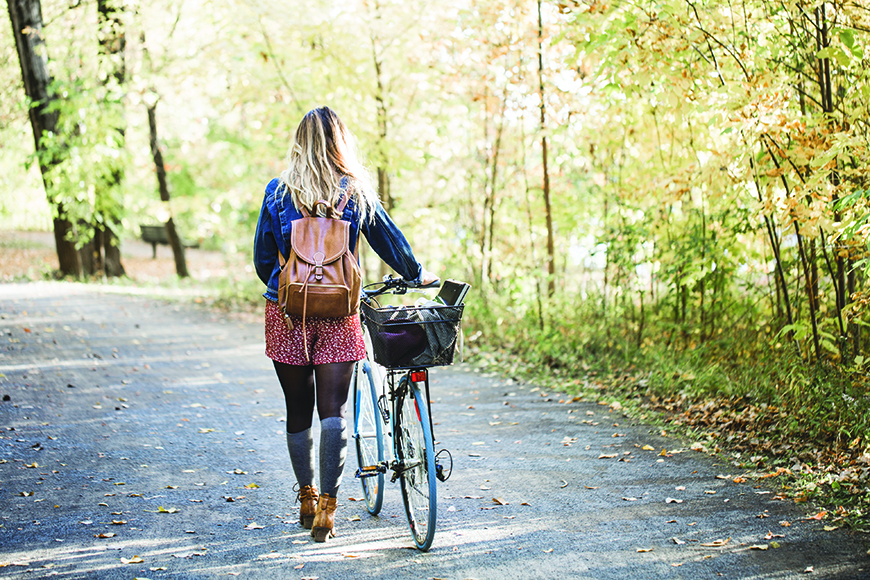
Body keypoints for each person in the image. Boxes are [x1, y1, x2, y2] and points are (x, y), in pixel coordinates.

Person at [253, 106, 437, 542]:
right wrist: (414, 274)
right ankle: (329, 511)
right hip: (339, 313)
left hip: (286, 315)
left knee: (297, 409)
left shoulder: (278, 191)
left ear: (299, 142)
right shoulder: (353, 191)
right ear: (340, 143)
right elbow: (388, 240)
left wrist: (288, 286)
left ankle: (306, 497)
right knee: (332, 410)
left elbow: (263, 261)